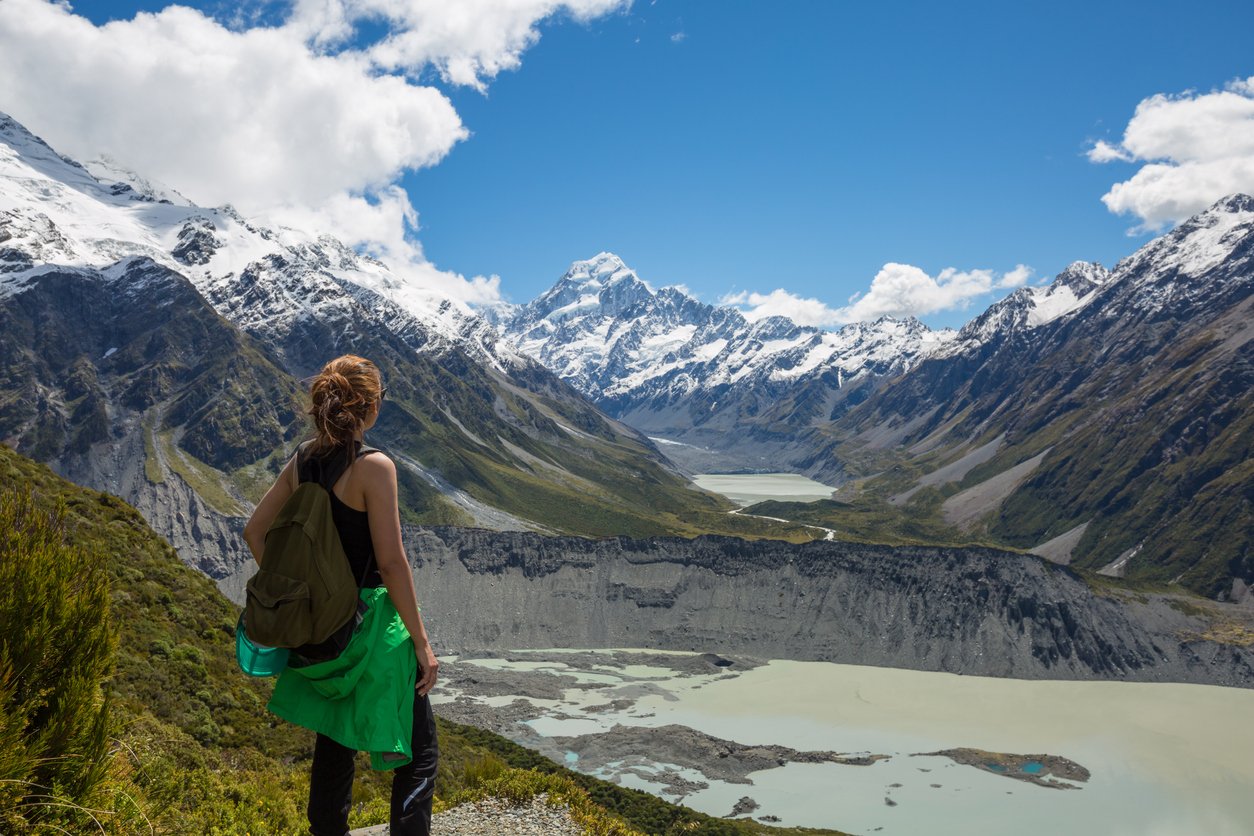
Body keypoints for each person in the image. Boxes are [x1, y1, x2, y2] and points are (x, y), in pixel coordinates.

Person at [242, 355, 439, 836]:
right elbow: (391, 565)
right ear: (369, 408)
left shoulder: (303, 460)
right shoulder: (375, 467)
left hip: (317, 635)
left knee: (334, 740)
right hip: (368, 631)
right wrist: (421, 644)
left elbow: (254, 533)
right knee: (420, 752)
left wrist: (307, 595)